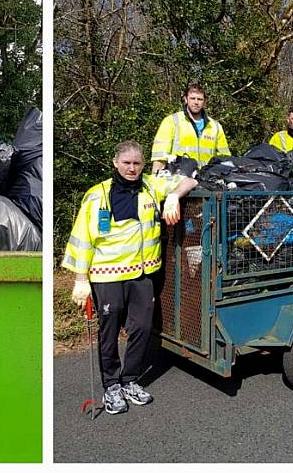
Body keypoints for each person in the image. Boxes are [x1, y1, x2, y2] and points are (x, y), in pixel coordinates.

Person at [62, 140, 197, 415]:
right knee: (109, 331)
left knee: (142, 328)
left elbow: (189, 181)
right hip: (106, 274)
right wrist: (80, 279)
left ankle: (130, 380)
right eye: (127, 163)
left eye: (137, 163)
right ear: (115, 163)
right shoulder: (97, 195)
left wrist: (172, 196)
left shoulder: (150, 186)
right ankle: (111, 384)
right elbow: (82, 239)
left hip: (142, 274)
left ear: (143, 165)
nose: (132, 168)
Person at [150, 82, 230, 173]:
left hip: (207, 180)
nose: (196, 102)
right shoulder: (171, 122)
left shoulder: (215, 126)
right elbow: (160, 157)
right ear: (186, 99)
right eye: (192, 98)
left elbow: (225, 158)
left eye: (199, 99)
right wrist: (157, 180)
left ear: (204, 102)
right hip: (179, 179)